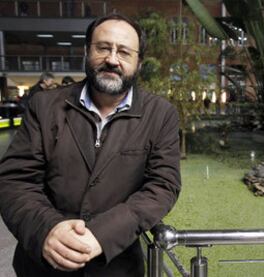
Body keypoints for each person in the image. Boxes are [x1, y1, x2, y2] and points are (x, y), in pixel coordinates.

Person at [0, 13, 181, 277]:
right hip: (42, 265)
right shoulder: (45, 106)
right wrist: (47, 229)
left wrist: (101, 235)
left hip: (116, 266)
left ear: (138, 63)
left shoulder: (161, 115)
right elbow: (15, 181)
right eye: (103, 48)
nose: (112, 59)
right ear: (87, 52)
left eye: (124, 52)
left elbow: (162, 187)